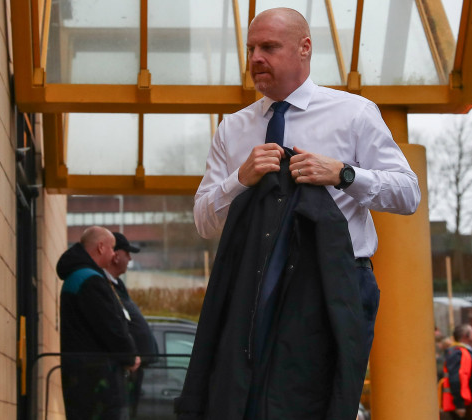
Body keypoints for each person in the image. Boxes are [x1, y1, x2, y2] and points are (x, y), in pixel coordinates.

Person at [179, 7, 421, 420]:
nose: (255, 58)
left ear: (304, 48)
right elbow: (204, 220)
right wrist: (240, 178)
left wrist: (343, 174)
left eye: (268, 47)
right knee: (241, 403)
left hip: (333, 283)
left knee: (318, 405)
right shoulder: (232, 129)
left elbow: (408, 194)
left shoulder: (354, 113)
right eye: (251, 48)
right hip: (250, 286)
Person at [56, 226, 140, 420]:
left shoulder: (79, 276)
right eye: (111, 249)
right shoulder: (90, 280)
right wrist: (129, 356)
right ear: (101, 247)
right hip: (96, 381)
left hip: (83, 378)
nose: (113, 255)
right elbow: (110, 326)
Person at [104, 232, 158, 419]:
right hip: (122, 368)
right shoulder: (103, 284)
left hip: (133, 367)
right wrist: (128, 355)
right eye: (127, 253)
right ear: (116, 255)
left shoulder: (117, 285)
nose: (130, 258)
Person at [441, 324, 472, 420]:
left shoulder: (467, 352)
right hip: (462, 405)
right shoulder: (457, 353)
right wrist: (459, 405)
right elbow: (455, 379)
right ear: (466, 336)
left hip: (469, 402)